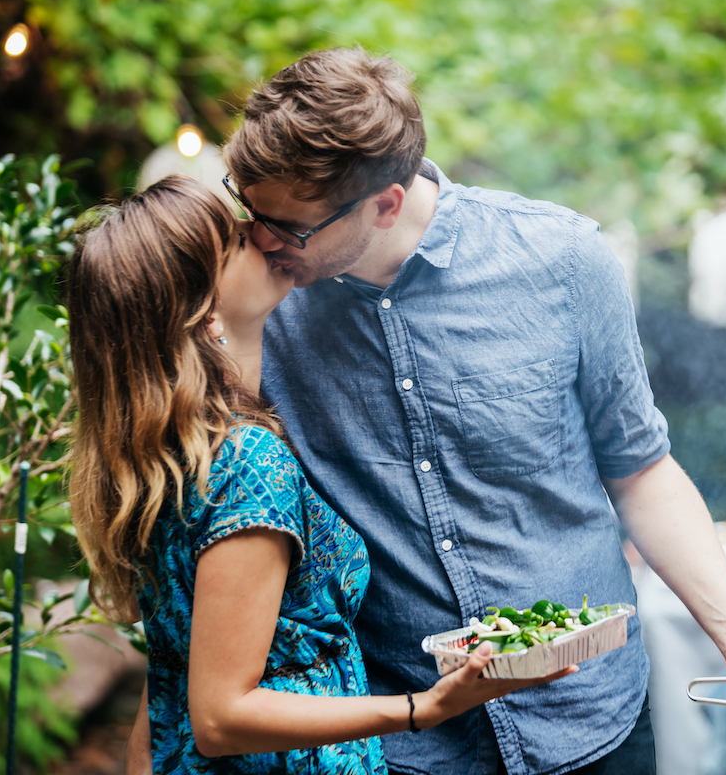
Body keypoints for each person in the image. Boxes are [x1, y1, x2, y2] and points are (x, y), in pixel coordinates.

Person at [129, 47, 726, 775]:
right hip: (398, 744)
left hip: (590, 724)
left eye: (291, 227)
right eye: (252, 213)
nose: (263, 242)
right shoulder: (260, 304)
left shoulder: (565, 262)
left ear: (385, 203)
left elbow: (640, 471)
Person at [67, 176, 574, 774]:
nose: (261, 234)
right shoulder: (246, 462)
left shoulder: (171, 455)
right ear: (205, 312)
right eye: (235, 240)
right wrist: (420, 708)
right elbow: (220, 715)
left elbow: (176, 670)